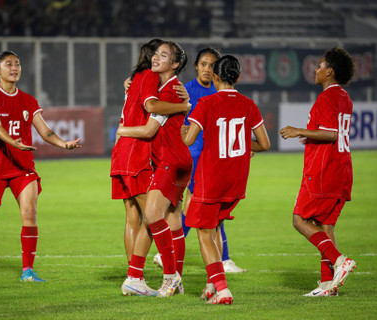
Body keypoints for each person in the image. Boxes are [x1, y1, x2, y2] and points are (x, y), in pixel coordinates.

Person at [0, 51, 82, 282]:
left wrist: (63, 143)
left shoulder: (28, 100)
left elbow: (45, 130)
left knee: (29, 214)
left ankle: (27, 271)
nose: (14, 68)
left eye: (17, 64)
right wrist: (12, 142)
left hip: (22, 167)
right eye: (8, 64)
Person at [182, 55, 270, 304]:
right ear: (238, 78)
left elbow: (189, 139)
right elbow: (264, 144)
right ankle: (211, 285)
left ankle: (222, 289)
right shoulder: (249, 104)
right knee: (216, 228)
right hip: (236, 182)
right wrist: (242, 145)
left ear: (216, 77)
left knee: (203, 231)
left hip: (211, 179)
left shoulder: (207, 103)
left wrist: (180, 128)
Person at [153, 47, 246, 273]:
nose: (206, 69)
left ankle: (169, 252)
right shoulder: (186, 91)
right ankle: (222, 259)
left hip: (217, 157)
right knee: (204, 206)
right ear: (196, 66)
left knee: (203, 208)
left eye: (211, 65)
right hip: (195, 157)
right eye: (203, 64)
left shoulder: (221, 90)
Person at [111, 40, 190, 296]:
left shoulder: (142, 79)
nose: (157, 58)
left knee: (144, 217)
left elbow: (151, 112)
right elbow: (151, 110)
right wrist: (184, 105)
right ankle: (148, 276)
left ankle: (140, 276)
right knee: (161, 217)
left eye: (163, 55)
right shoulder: (150, 80)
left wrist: (121, 131)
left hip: (130, 154)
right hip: (140, 155)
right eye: (156, 53)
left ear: (173, 63)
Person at [280, 47, 357, 297]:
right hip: (342, 168)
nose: (316, 70)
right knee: (325, 225)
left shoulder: (326, 98)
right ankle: (328, 285)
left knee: (300, 220)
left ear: (330, 71)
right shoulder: (344, 96)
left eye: (320, 66)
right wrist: (311, 138)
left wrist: (298, 131)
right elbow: (333, 132)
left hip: (324, 171)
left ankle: (339, 261)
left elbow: (331, 133)